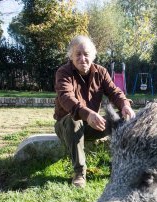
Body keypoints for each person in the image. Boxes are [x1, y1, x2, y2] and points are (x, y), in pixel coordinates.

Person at [54, 35, 135, 188]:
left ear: (93, 56)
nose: (82, 58)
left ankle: (120, 165)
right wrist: (88, 114)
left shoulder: (101, 72)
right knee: (73, 120)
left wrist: (125, 105)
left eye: (86, 54)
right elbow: (66, 98)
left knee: (124, 120)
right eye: (78, 54)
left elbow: (115, 92)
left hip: (92, 125)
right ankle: (79, 172)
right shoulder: (63, 72)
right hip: (66, 126)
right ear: (71, 56)